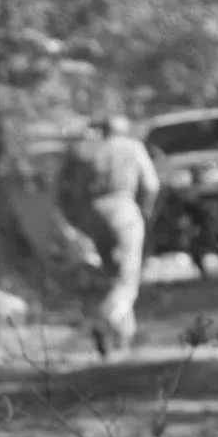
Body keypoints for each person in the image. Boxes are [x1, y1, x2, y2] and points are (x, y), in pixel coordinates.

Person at [58, 113, 160, 355]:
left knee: (112, 272)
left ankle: (125, 336)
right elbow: (151, 185)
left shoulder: (91, 151)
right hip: (123, 209)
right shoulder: (133, 148)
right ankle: (106, 321)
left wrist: (79, 222)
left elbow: (74, 191)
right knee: (128, 277)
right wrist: (144, 211)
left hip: (93, 213)